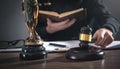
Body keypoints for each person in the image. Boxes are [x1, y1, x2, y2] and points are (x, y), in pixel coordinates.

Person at [36, 0, 120, 47]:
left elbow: (110, 18)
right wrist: (48, 30)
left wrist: (107, 29)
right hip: (53, 48)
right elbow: (35, 31)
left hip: (86, 47)